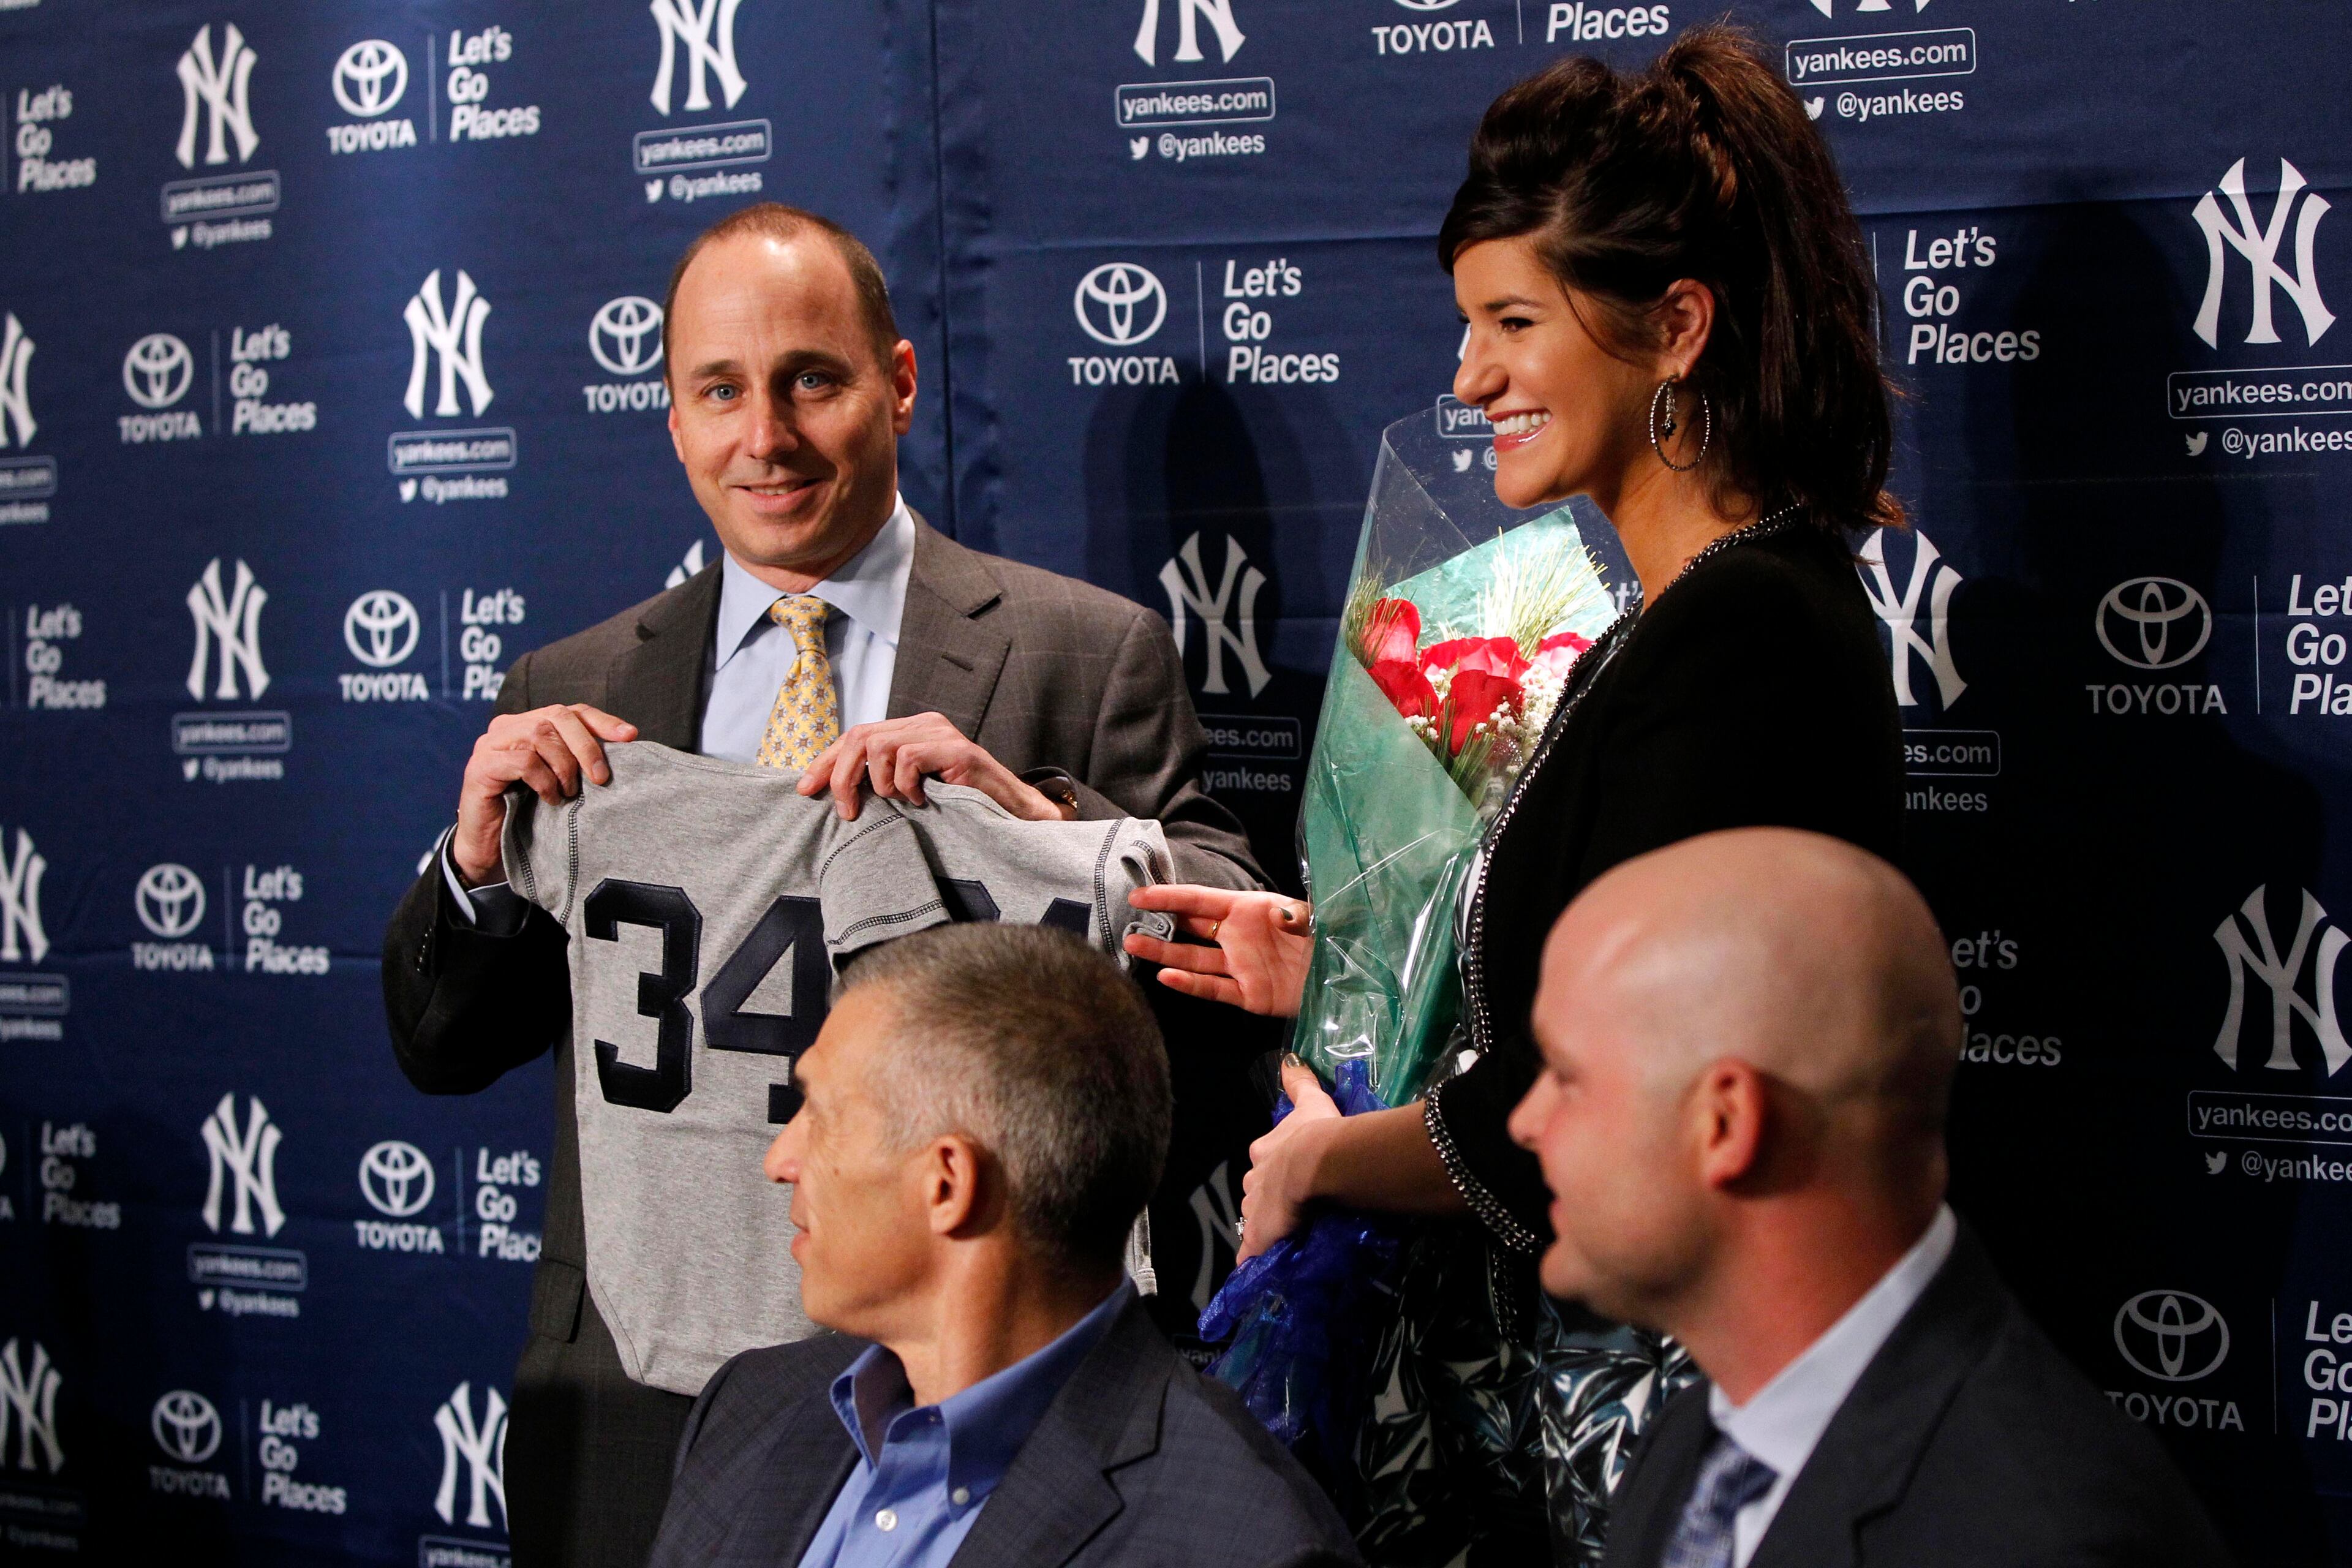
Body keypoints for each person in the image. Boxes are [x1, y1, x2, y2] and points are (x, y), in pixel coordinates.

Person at [380, 203, 1265, 1568]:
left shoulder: (1084, 654)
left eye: (812, 379)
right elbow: (439, 1044)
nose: (766, 436)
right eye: (719, 391)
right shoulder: (576, 691)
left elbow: (1226, 985)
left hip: (973, 1390)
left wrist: (1038, 823)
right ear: (671, 417)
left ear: (899, 384)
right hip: (634, 1392)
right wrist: (483, 867)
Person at [1125, 25, 1904, 1555]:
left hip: (1674, 1445)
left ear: (1673, 327)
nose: (1468, 373)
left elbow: (1651, 1096)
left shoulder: (1743, 634)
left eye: (1509, 321)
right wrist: (1336, 974)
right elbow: (1562, 1003)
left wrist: (1333, 1152)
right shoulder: (1679, 619)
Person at [1507, 829, 2232, 1567]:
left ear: (1726, 1124)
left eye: (1566, 1076)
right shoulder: (1704, 1435)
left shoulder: (2041, 1538)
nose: (1524, 1122)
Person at [646, 924, 1362, 1568]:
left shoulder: (1244, 1546)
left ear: (947, 1184)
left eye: (821, 1116)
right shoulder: (750, 1408)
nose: (779, 1158)